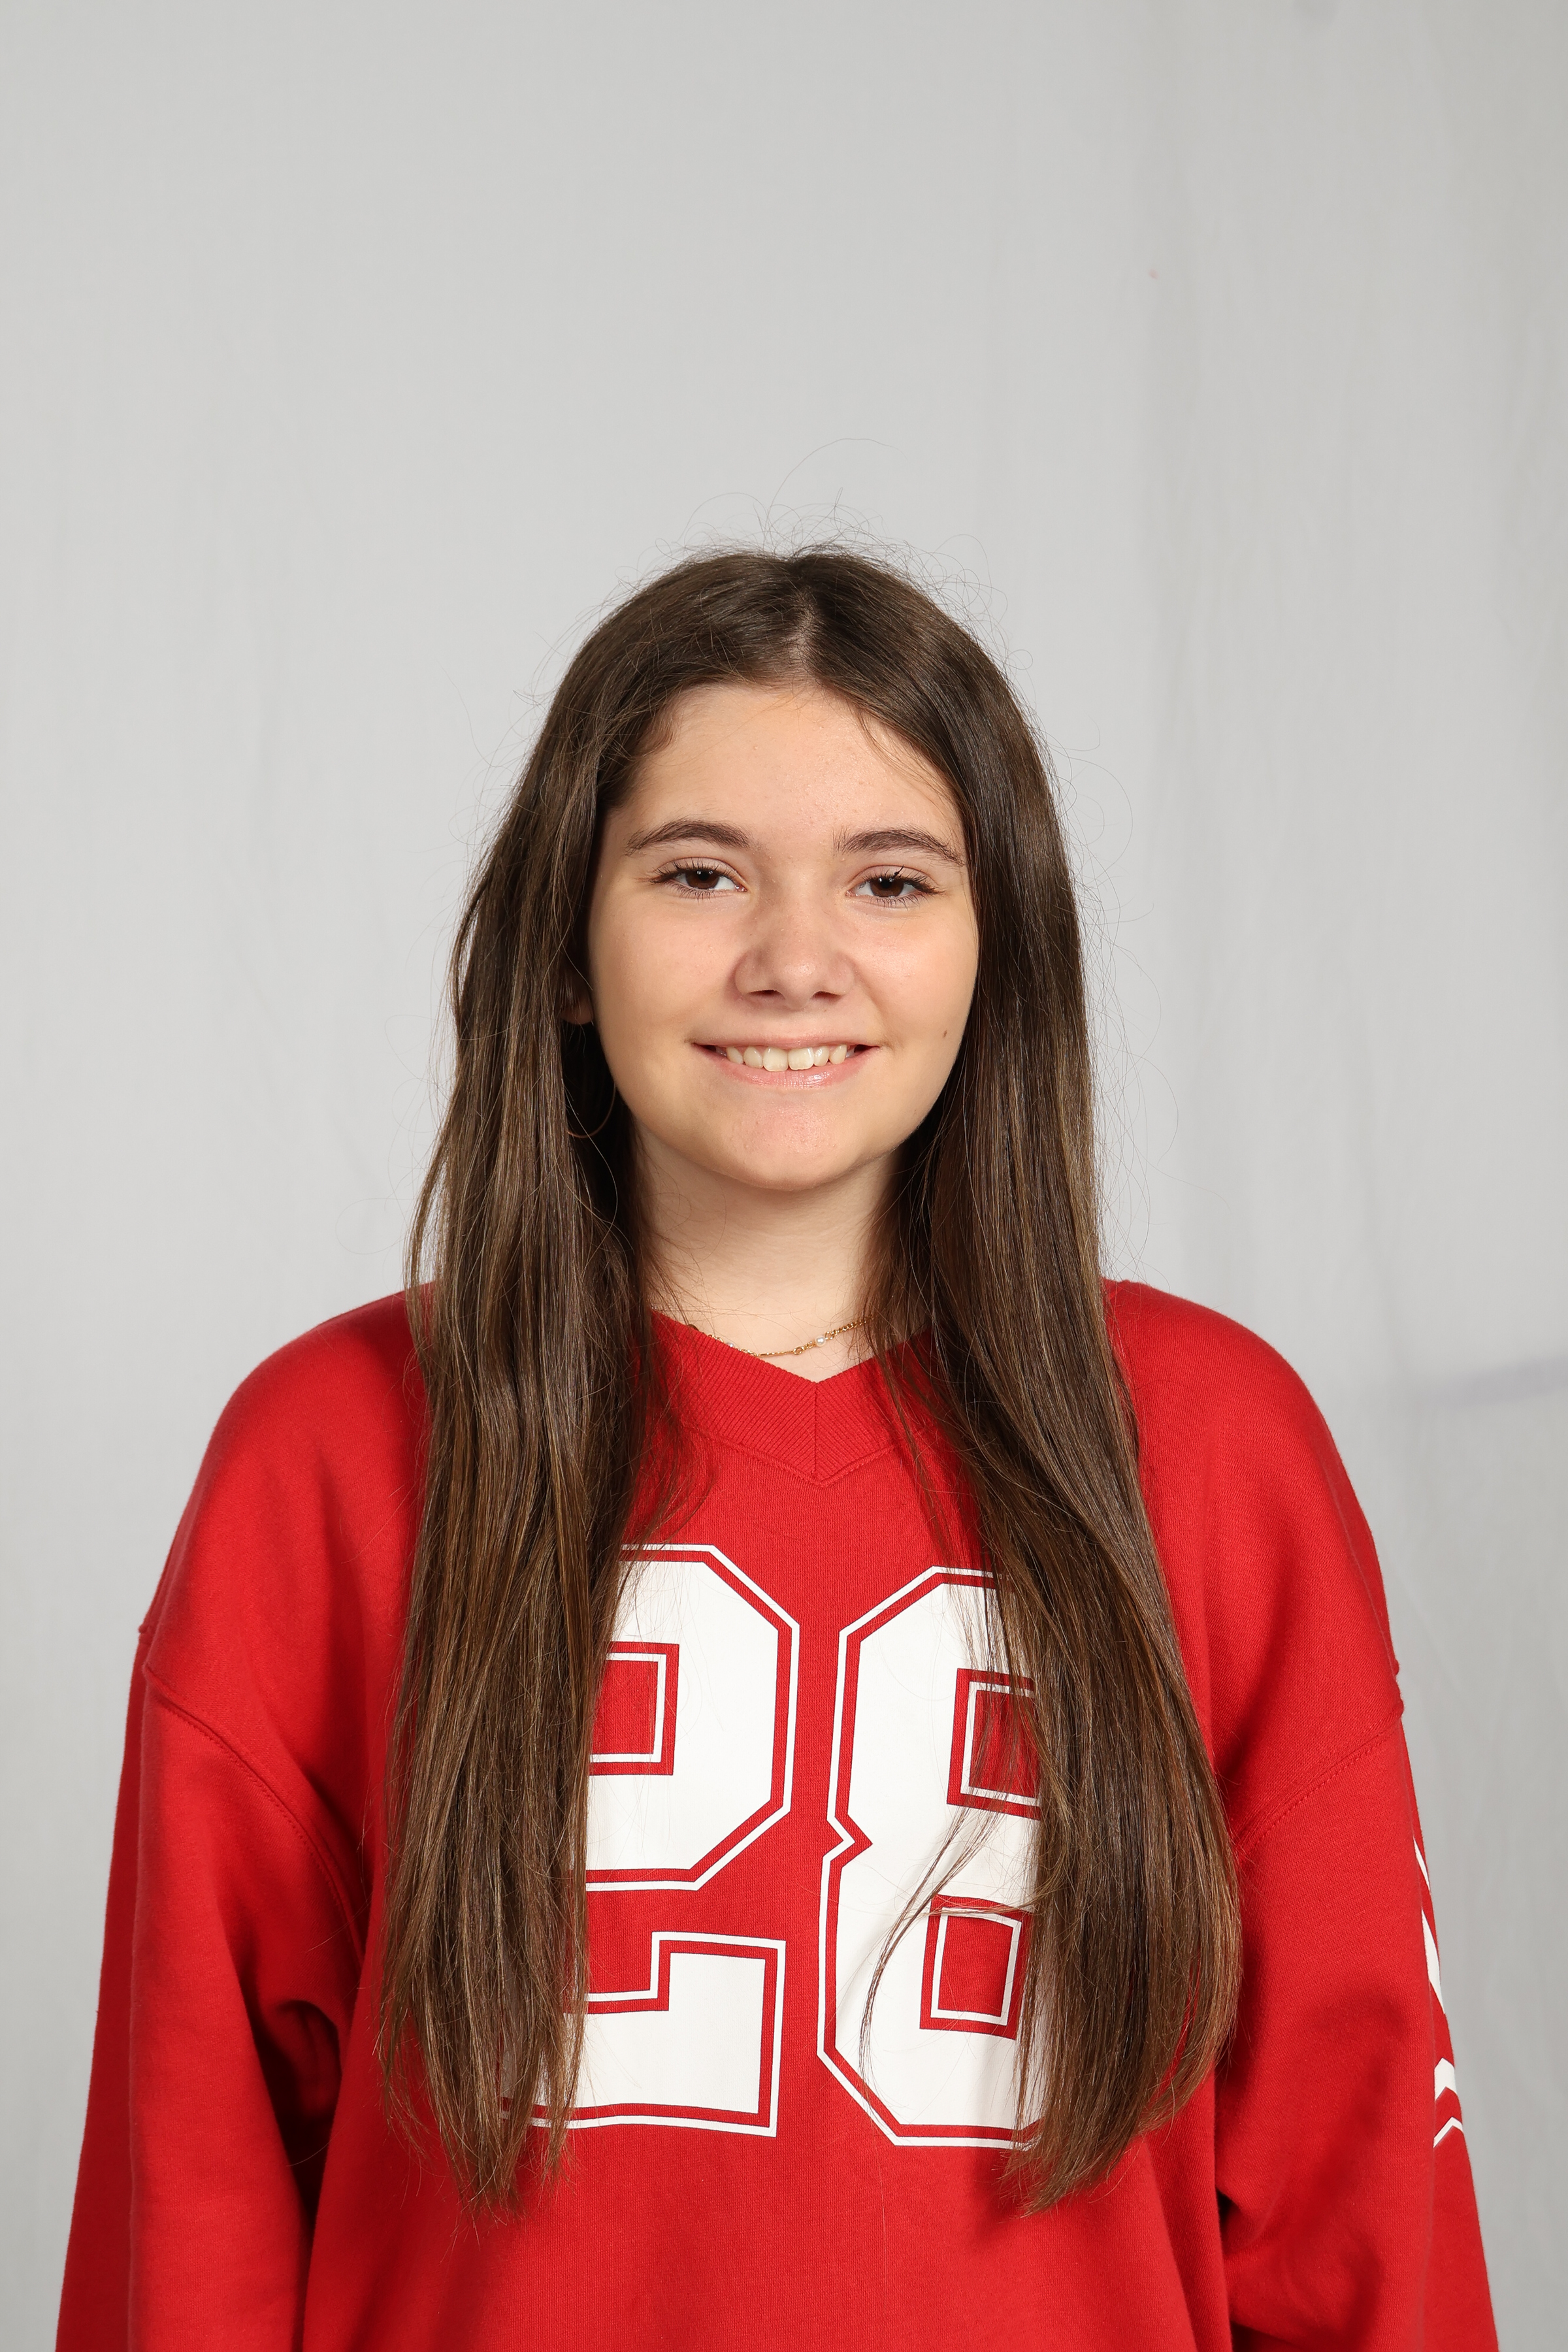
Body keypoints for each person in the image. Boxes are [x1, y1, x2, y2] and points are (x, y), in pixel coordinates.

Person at [58, 548, 1495, 2349]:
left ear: (996, 950)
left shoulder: (1211, 1449)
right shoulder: (330, 1453)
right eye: (698, 873)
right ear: (566, 948)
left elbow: (1364, 2180)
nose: (794, 961)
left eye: (890, 880)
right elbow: (192, 2178)